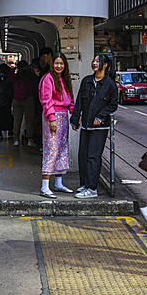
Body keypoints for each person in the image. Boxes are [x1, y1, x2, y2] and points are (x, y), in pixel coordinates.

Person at [71, 54, 118, 200]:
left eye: (98, 61)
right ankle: (85, 184)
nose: (94, 63)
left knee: (93, 156)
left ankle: (92, 188)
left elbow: (113, 105)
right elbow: (79, 101)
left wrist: (100, 116)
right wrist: (75, 118)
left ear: (105, 65)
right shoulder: (87, 81)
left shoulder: (110, 84)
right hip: (86, 124)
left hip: (100, 127)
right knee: (83, 155)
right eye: (94, 61)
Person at [39, 53, 75, 198]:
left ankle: (58, 183)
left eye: (61, 63)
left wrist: (74, 113)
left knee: (62, 149)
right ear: (52, 64)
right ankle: (44, 186)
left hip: (64, 117)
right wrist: (52, 118)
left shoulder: (65, 79)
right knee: (51, 149)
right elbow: (46, 100)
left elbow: (70, 99)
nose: (59, 66)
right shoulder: (48, 78)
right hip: (52, 117)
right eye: (56, 63)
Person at [10, 60, 38, 147]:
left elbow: (9, 77)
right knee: (29, 120)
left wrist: (13, 69)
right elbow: (37, 79)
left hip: (16, 100)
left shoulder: (15, 77)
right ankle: (30, 139)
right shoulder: (30, 76)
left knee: (17, 120)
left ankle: (16, 139)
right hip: (29, 99)